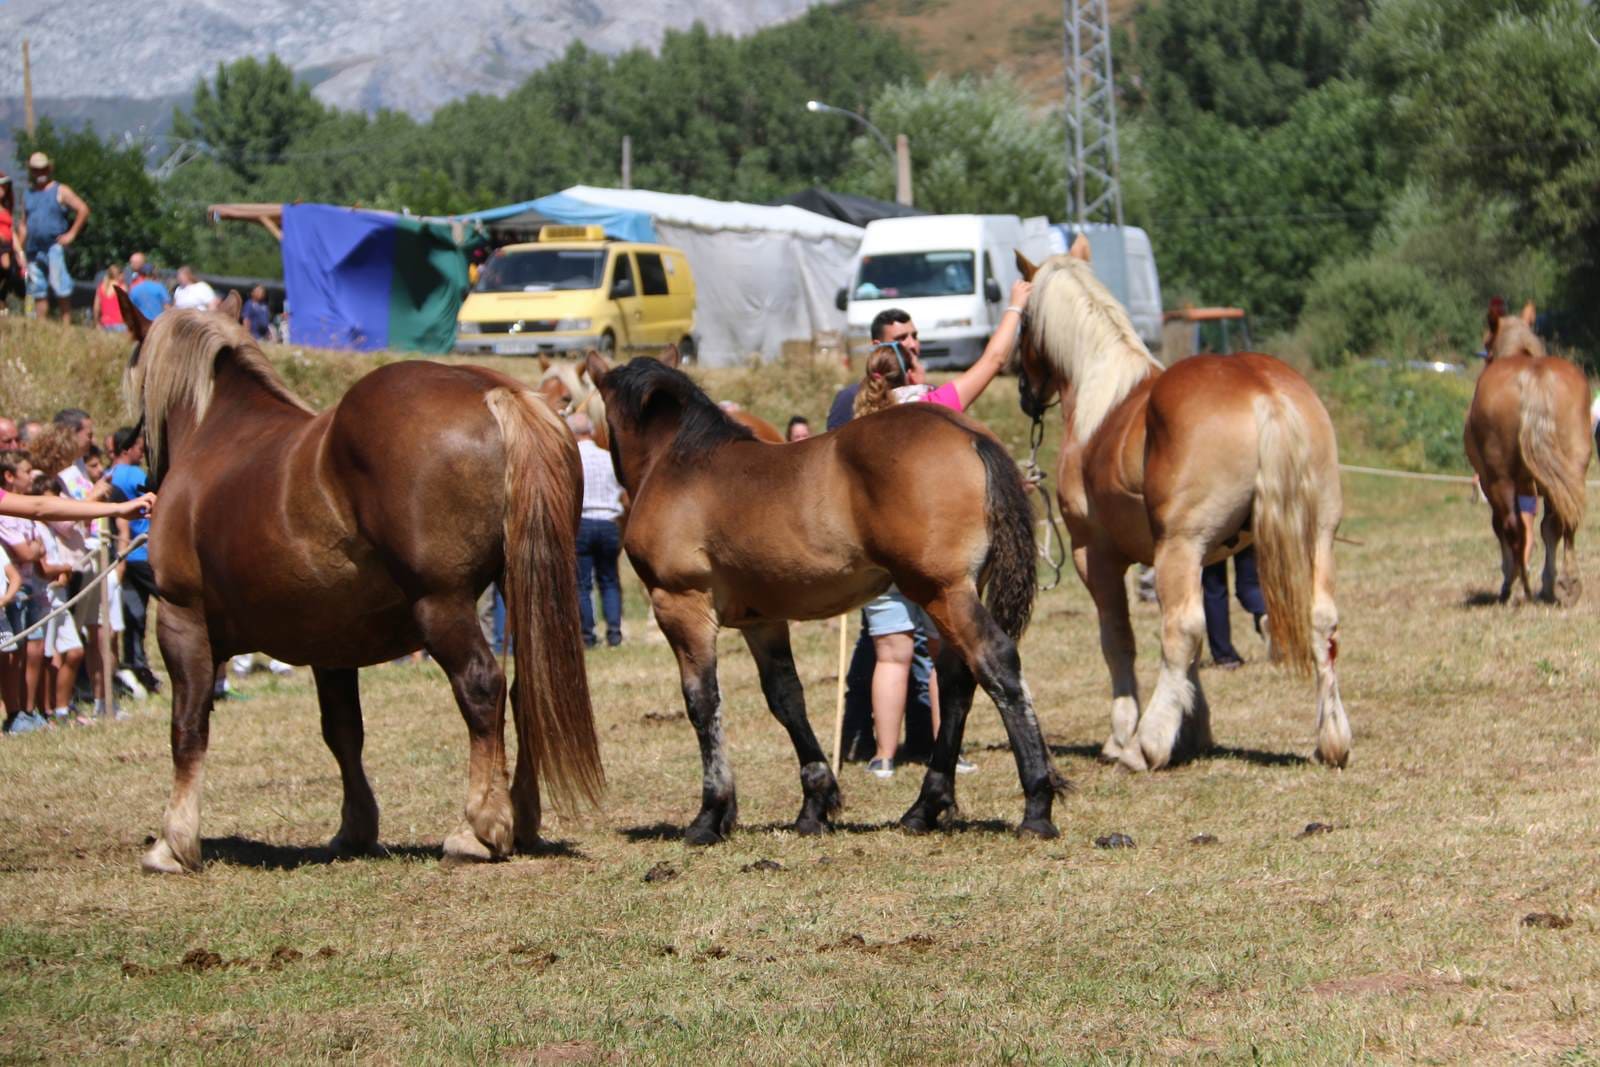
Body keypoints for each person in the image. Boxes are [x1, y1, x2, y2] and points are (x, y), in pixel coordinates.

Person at [851, 285, 1031, 778]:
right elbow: (994, 360)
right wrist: (1015, 302)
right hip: (932, 547)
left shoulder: (859, 415)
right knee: (941, 651)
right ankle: (947, 751)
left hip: (878, 555)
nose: (916, 347)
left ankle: (883, 757)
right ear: (908, 368)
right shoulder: (937, 404)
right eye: (907, 343)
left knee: (890, 655)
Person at [569, 411, 625, 648]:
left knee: (582, 583)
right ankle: (614, 633)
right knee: (610, 580)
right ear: (591, 431)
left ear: (571, 434)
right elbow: (622, 489)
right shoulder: (609, 458)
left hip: (582, 523)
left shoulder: (571, 459)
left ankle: (587, 636)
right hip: (609, 523)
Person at [109, 427, 159, 693]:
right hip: (143, 552)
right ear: (127, 449)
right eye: (139, 448)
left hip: (123, 555)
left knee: (134, 615)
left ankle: (136, 665)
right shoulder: (135, 475)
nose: (142, 453)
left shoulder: (108, 475)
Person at [18, 152, 90, 322]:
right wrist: (20, 250)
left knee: (60, 285)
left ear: (49, 169)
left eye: (43, 169)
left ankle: (66, 324)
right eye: (36, 170)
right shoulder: (28, 194)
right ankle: (41, 323)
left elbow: (83, 209)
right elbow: (23, 223)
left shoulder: (60, 190)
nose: (40, 173)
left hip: (54, 245)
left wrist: (71, 235)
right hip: (33, 249)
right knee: (38, 288)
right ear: (31, 171)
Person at [1202, 548, 1266, 669]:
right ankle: (1263, 614)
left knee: (1215, 589)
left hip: (1211, 537)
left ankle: (1225, 657)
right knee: (1250, 585)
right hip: (1244, 532)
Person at [0, 171, 25, 306]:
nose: (2, 189)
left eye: (4, 186)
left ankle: (3, 301)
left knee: (11, 272)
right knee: (5, 265)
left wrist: (20, 252)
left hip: (7, 248)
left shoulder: (6, 209)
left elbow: (11, 231)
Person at [93, 263, 128, 332]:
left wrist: (97, 323)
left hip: (104, 324)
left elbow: (96, 307)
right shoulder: (122, 287)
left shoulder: (101, 287)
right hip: (120, 323)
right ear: (120, 274)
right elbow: (126, 307)